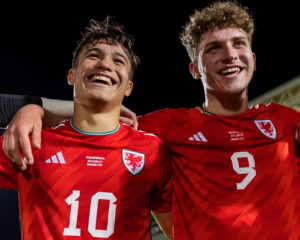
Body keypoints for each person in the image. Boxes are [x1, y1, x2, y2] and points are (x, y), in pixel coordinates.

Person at [2, 1, 300, 239]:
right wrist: (34, 107)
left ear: (254, 58)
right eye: (213, 48)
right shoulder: (166, 127)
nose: (230, 55)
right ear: (195, 69)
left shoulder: (286, 120)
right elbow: (101, 115)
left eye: (238, 44)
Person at [0, 17, 173, 240]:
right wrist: (31, 106)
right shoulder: (32, 141)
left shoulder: (152, 150)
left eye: (118, 61)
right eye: (94, 56)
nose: (105, 64)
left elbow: (178, 231)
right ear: (72, 75)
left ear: (128, 87)